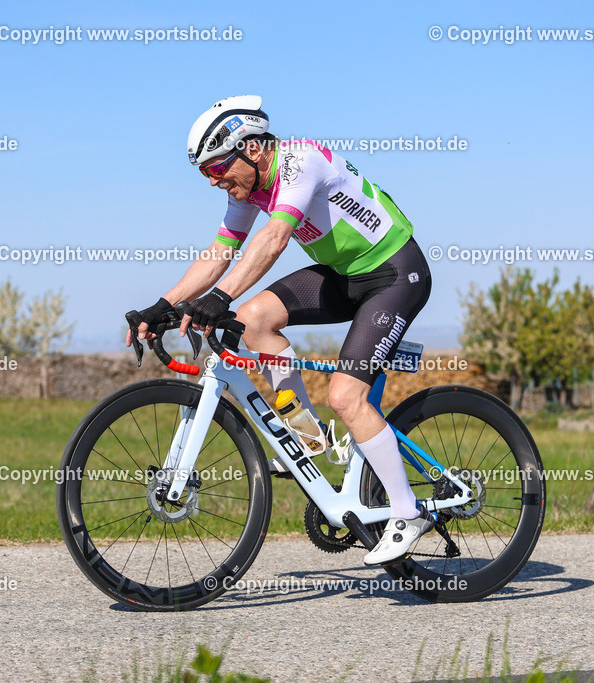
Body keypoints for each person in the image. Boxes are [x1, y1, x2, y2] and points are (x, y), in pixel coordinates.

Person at [125, 95, 433, 565]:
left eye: (217, 168)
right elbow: (221, 250)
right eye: (205, 174)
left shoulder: (298, 162)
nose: (215, 181)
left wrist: (220, 298)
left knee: (346, 397)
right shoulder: (248, 188)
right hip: (347, 275)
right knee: (253, 320)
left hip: (393, 274)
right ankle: (306, 435)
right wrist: (163, 305)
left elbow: (273, 239)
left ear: (251, 148)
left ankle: (407, 512)